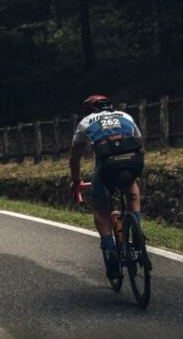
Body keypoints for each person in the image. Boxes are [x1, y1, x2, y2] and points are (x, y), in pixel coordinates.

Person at [70, 95, 145, 280]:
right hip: (133, 162)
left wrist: (76, 179)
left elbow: (75, 158)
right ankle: (138, 233)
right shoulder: (125, 116)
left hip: (107, 166)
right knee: (133, 190)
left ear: (90, 110)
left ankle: (111, 250)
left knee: (100, 210)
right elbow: (140, 144)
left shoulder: (86, 122)